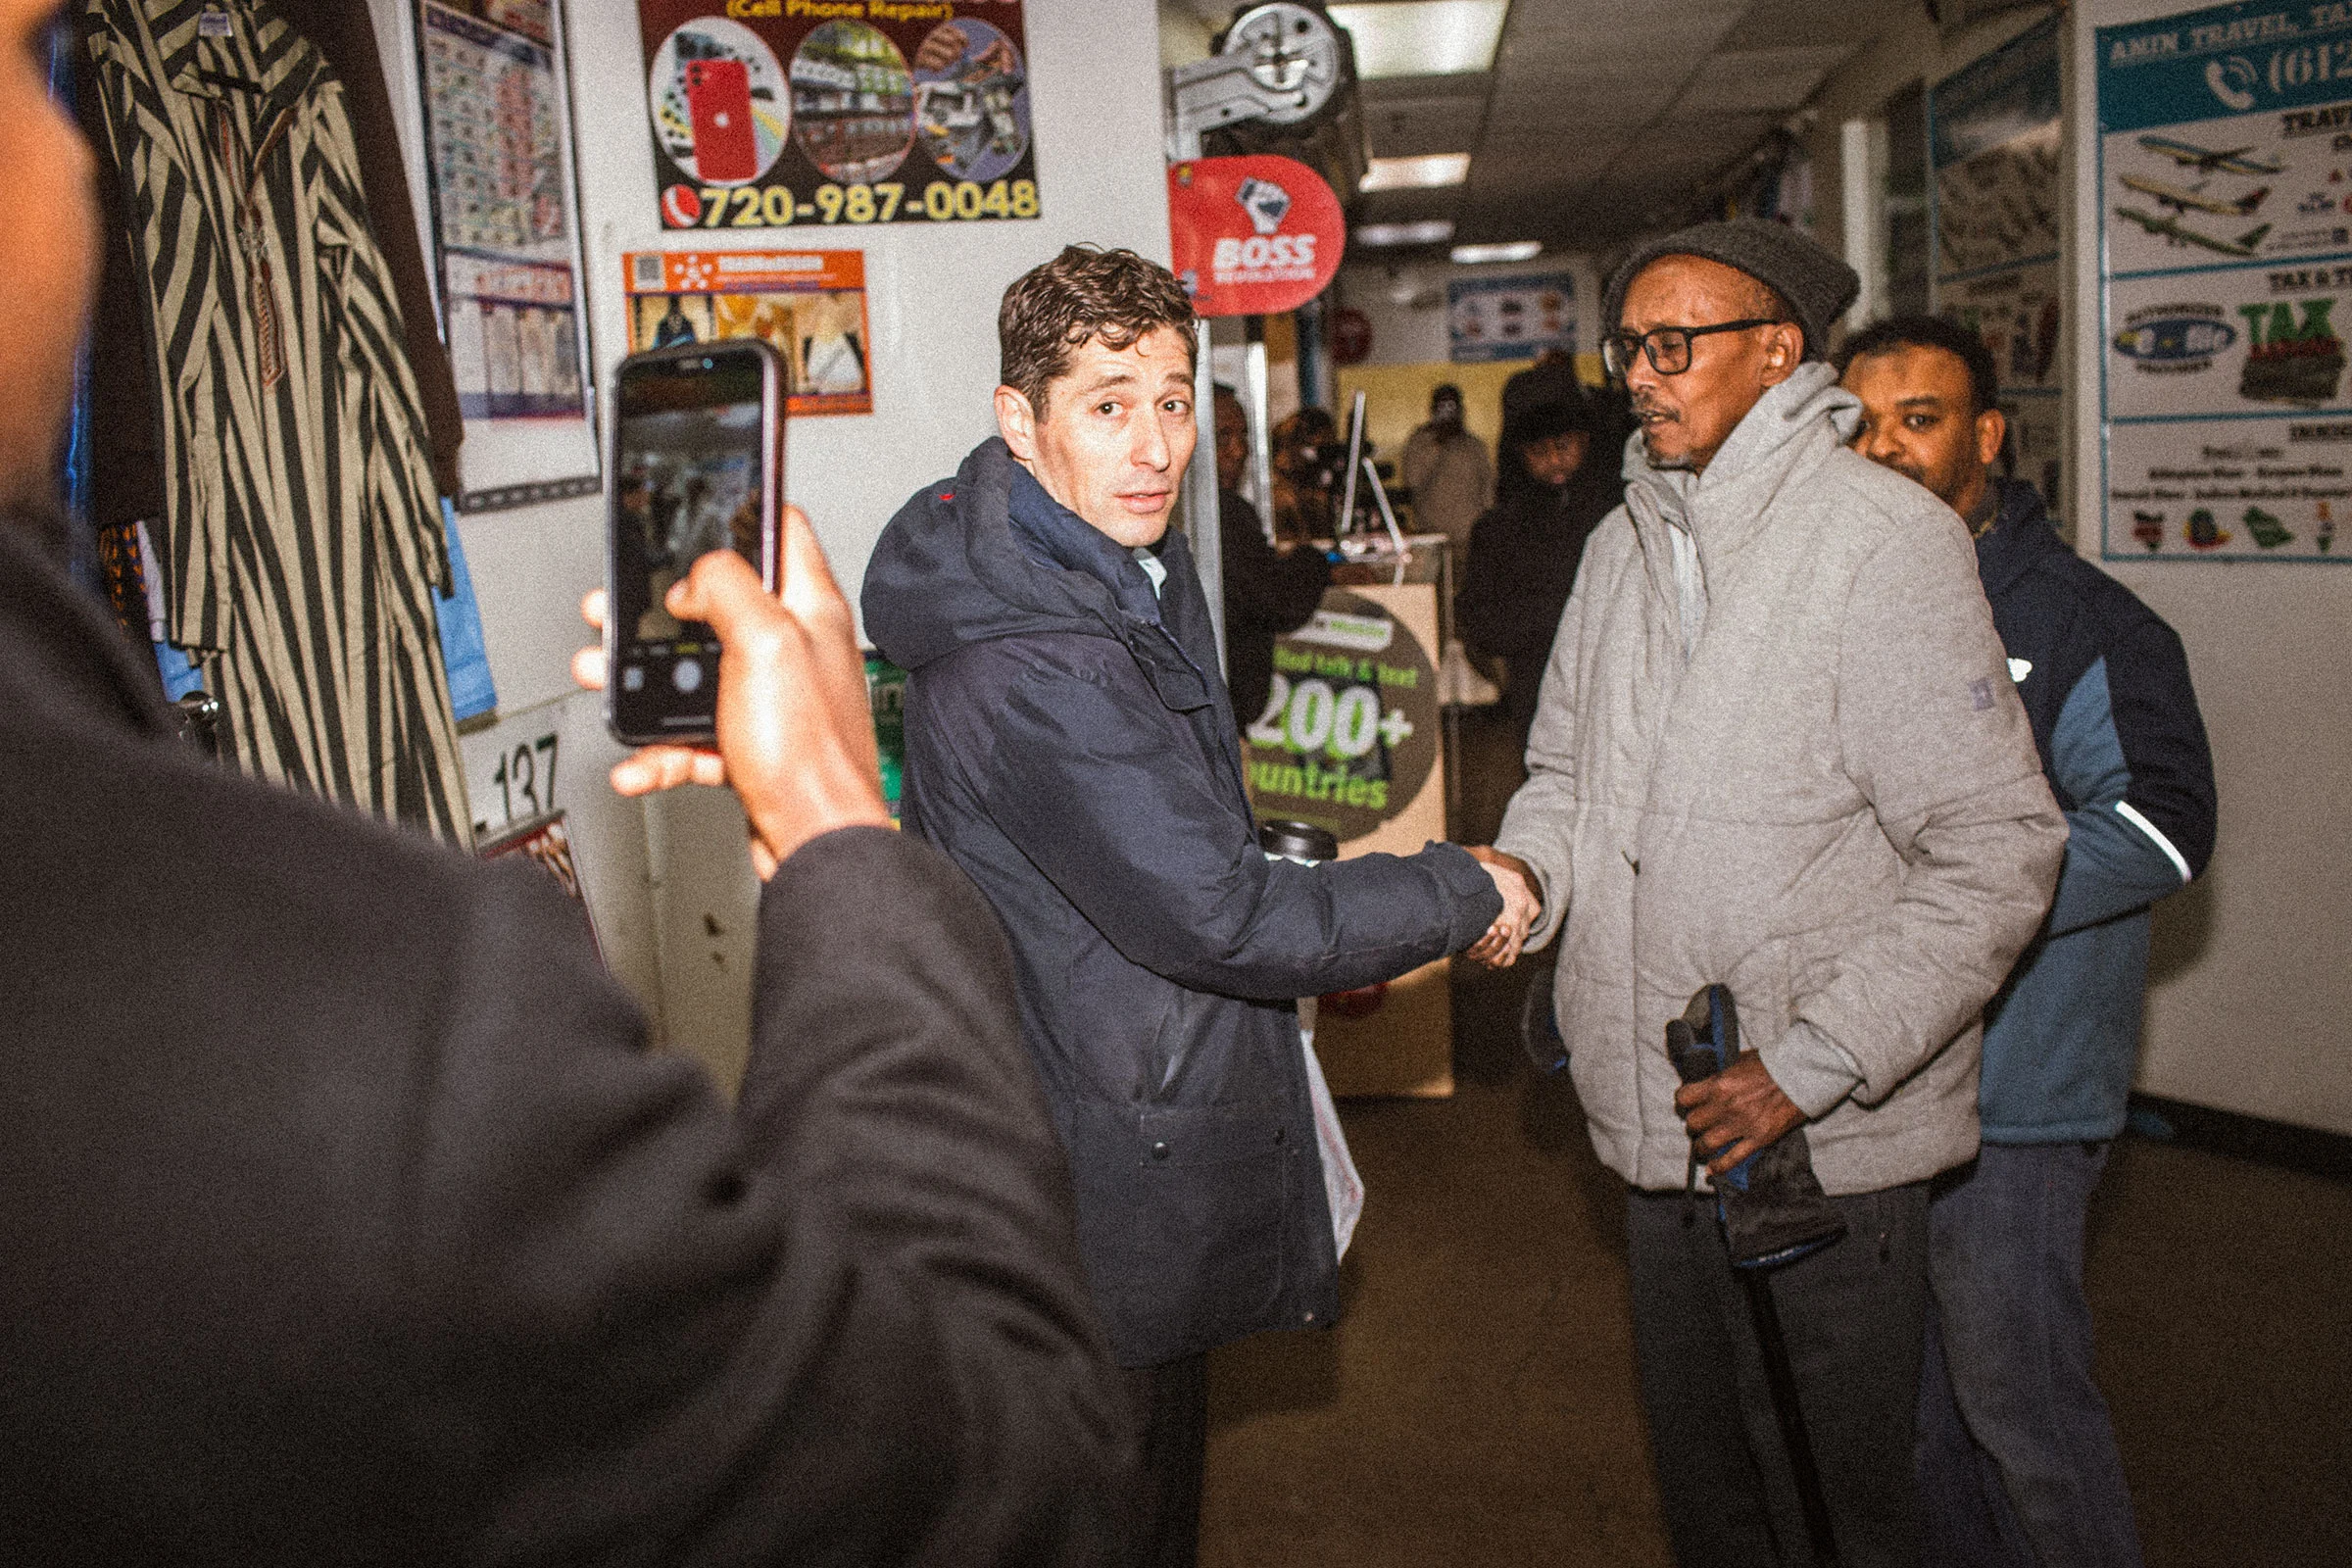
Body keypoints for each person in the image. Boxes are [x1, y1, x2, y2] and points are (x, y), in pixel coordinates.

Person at [0, 1, 1130, 1550]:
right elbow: (1001, 1479)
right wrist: (838, 829)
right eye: (22, 65)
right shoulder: (397, 1015)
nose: (70, 147)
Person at [859, 244, 1538, 1568]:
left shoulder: (1088, 576)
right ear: (1022, 421)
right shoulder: (1043, 651)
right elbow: (1226, 920)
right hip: (1095, 1152)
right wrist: (1464, 883)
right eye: (1109, 402)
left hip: (1091, 1100)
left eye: (1174, 398)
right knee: (1116, 1508)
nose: (1155, 443)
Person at [1477, 220, 2067, 1567]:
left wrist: (1807, 1066)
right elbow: (1565, 772)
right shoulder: (1625, 541)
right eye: (1629, 345)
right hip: (1653, 1119)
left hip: (1818, 1147)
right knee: (1716, 1495)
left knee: (1842, 1503)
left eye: (1675, 344)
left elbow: (1997, 849)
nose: (1642, 373)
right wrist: (1526, 877)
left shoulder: (1886, 546)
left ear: (1780, 353)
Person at [1840, 316, 2217, 1568]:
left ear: (1987, 434)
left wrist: (1963, 891)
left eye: (1921, 417)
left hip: (2020, 1097)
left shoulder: (2085, 623)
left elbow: (2162, 830)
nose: (1886, 446)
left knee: (2022, 1409)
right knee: (1916, 1423)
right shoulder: (1848, 598)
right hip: (1884, 1085)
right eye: (1863, 422)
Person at [1456, 391, 1620, 748]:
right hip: (1538, 685)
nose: (1554, 461)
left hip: (1615, 683)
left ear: (1586, 442)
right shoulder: (1499, 528)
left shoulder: (1618, 517)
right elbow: (1480, 618)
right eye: (1538, 452)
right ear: (1521, 457)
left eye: (1564, 446)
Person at [1212, 382, 1330, 725]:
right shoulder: (1225, 513)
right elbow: (1281, 600)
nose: (1239, 450)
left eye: (1243, 435)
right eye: (1223, 437)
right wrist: (1316, 561)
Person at [1400, 380, 1493, 566]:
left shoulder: (1474, 445)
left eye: (1452, 406)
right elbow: (1412, 481)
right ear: (1433, 409)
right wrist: (1438, 443)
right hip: (1432, 537)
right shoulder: (1419, 442)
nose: (1448, 412)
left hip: (1469, 538)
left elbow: (1488, 490)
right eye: (1442, 406)